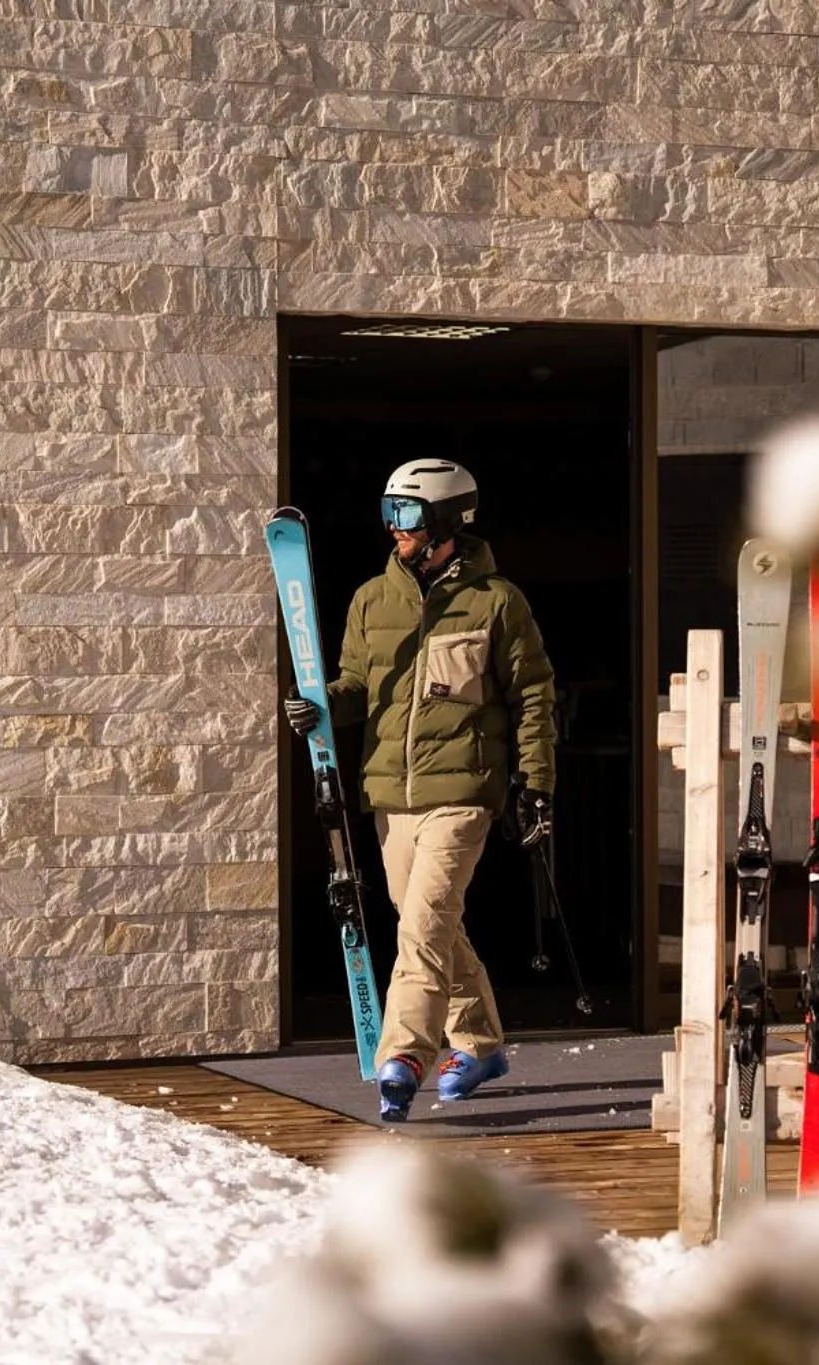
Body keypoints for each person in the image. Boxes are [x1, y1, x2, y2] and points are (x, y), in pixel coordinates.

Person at [283, 460, 558, 1122]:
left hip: (464, 792)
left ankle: (403, 1054)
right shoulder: (372, 602)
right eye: (387, 511)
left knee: (424, 926)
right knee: (430, 926)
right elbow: (355, 686)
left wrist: (537, 784)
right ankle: (482, 1043)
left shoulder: (497, 602)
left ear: (443, 525)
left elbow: (534, 695)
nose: (391, 527)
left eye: (405, 515)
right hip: (390, 796)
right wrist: (318, 704)